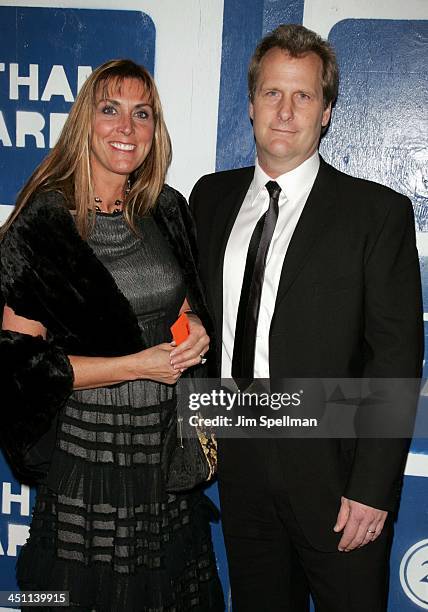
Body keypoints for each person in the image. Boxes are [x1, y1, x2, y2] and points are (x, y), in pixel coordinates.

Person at [189, 24, 423, 612]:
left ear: (326, 112)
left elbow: (394, 356)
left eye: (304, 96)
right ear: (250, 104)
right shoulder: (209, 199)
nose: (286, 111)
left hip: (336, 481)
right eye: (273, 93)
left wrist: (372, 489)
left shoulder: (376, 213)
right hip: (238, 464)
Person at [0, 59, 224, 611]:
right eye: (110, 110)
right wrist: (136, 366)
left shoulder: (165, 208)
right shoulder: (45, 223)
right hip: (90, 458)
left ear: (154, 130)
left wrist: (194, 325)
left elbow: (186, 301)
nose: (126, 127)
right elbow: (18, 369)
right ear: (85, 122)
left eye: (141, 113)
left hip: (164, 453)